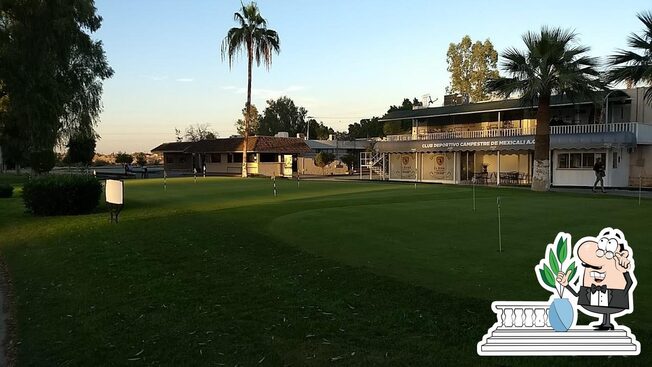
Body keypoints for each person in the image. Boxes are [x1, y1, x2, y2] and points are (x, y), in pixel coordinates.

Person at [557, 228, 635, 330]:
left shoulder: (619, 266)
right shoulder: (589, 282)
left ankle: (607, 323)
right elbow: (577, 294)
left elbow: (630, 282)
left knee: (608, 308)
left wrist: (622, 294)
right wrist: (566, 284)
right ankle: (605, 323)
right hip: (595, 297)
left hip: (614, 297)